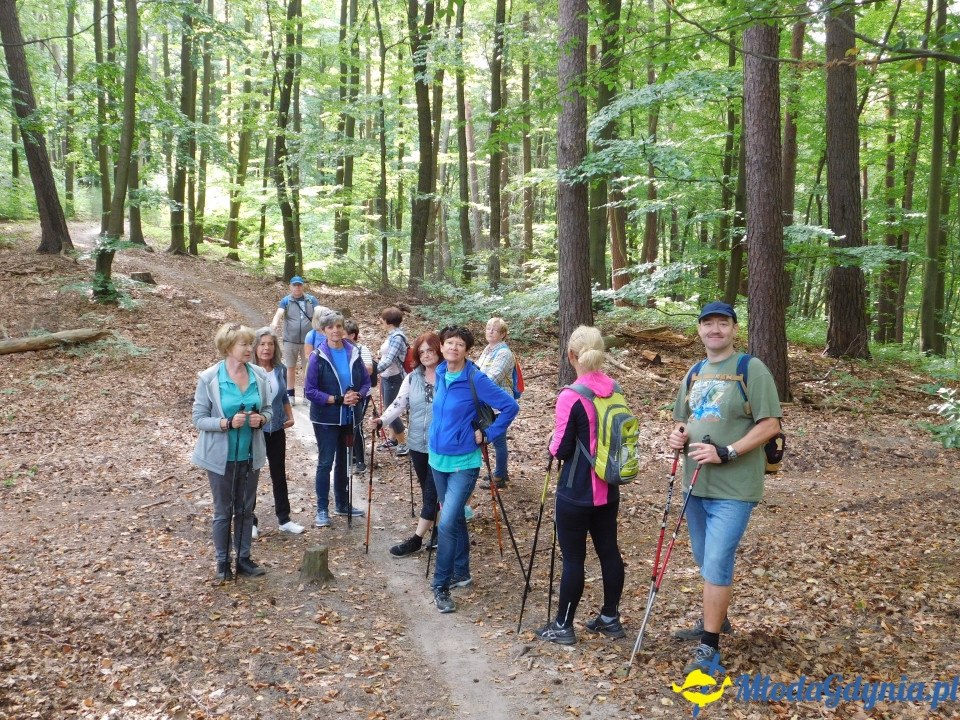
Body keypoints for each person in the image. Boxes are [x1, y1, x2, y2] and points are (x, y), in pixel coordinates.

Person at [667, 301, 782, 674]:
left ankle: (708, 647)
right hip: (695, 485)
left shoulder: (752, 369)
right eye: (708, 324)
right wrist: (677, 437)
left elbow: (770, 425)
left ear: (734, 329)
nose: (715, 330)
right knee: (704, 559)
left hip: (734, 488)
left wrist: (727, 452)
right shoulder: (696, 372)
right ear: (699, 330)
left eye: (723, 323)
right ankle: (720, 619)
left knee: (716, 562)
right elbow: (683, 421)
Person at [535, 326, 626, 645]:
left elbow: (561, 449)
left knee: (574, 558)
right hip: (609, 487)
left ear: (571, 355)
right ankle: (610, 617)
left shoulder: (571, 395)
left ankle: (563, 625)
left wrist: (551, 444)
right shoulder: (614, 388)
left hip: (575, 492)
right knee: (608, 551)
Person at [429, 325, 518, 613]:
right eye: (449, 343)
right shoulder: (441, 372)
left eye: (459, 344)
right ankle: (461, 572)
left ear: (467, 350)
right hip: (437, 458)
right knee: (453, 520)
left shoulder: (475, 379)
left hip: (464, 462)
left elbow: (510, 407)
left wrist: (489, 435)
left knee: (446, 521)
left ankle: (440, 585)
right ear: (442, 346)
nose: (453, 348)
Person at [192, 323, 272, 580]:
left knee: (246, 510)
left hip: (250, 455)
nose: (251, 349)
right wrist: (226, 423)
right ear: (228, 347)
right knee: (223, 511)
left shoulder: (259, 375)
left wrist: (262, 419)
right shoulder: (209, 378)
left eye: (251, 343)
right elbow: (198, 419)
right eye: (244, 344)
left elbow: (269, 410)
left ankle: (244, 559)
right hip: (220, 458)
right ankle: (223, 562)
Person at [370, 332, 442, 557]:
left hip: (441, 445)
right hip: (417, 445)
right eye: (422, 352)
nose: (427, 355)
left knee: (432, 492)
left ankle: (417, 539)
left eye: (431, 350)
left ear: (439, 351)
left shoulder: (449, 375)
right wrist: (382, 420)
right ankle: (439, 530)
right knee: (429, 490)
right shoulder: (413, 378)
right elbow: (399, 404)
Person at [304, 311, 371, 527]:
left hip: (349, 417)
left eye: (339, 326)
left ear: (344, 329)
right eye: (330, 327)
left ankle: (342, 503)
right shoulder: (318, 356)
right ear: (323, 331)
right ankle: (322, 508)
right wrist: (337, 399)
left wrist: (358, 395)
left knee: (344, 461)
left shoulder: (354, 352)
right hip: (326, 419)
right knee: (325, 462)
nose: (335, 331)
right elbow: (310, 391)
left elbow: (366, 381)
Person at [252, 326, 305, 537]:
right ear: (256, 347)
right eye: (263, 344)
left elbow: (283, 396)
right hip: (255, 430)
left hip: (276, 429)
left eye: (271, 344)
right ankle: (250, 522)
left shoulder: (280, 369)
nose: (267, 348)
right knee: (251, 475)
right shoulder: (249, 370)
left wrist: (290, 416)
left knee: (279, 475)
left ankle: (284, 519)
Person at [475, 317, 516, 490]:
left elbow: (493, 377)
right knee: (496, 440)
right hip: (486, 402)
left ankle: (499, 476)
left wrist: (474, 387)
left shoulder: (504, 353)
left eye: (495, 329)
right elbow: (477, 369)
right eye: (488, 328)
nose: (490, 331)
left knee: (498, 440)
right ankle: (501, 471)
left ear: (503, 334)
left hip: (499, 403)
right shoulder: (487, 350)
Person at [270, 277, 322, 403]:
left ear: (303, 286)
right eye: (294, 285)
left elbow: (319, 313)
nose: (297, 288)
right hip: (290, 340)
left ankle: (307, 394)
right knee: (290, 367)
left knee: (308, 368)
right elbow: (279, 313)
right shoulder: (286, 300)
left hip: (308, 341)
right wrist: (274, 323)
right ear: (290, 287)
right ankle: (290, 395)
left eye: (299, 285)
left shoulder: (311, 300)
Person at [375, 306, 409, 455]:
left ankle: (403, 442)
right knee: (387, 408)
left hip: (394, 378)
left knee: (391, 410)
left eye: (382, 319)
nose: (381, 321)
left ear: (387, 321)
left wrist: (372, 371)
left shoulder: (396, 337)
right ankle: (393, 439)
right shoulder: (393, 334)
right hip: (387, 376)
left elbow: (389, 360)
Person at [345, 319, 374, 473]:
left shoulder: (363, 349)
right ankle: (351, 456)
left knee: (356, 426)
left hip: (362, 394)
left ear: (352, 335)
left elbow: (369, 370)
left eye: (344, 334)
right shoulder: (341, 350)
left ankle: (361, 460)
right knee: (347, 426)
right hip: (346, 395)